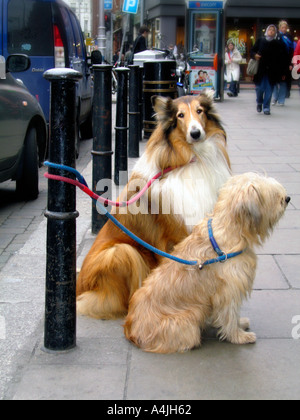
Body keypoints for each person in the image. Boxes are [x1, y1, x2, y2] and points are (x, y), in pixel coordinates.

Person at [250, 24, 289, 115]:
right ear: (266, 31)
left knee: (269, 89)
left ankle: (266, 107)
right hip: (260, 70)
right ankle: (259, 102)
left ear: (275, 32)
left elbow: (282, 58)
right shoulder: (260, 41)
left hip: (272, 71)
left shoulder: (278, 44)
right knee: (259, 89)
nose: (271, 31)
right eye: (270, 30)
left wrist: (283, 71)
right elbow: (252, 51)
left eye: (273, 30)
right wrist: (255, 55)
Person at [272, 21, 294, 105]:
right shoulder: (276, 36)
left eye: (285, 27)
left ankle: (281, 100)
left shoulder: (289, 37)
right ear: (279, 28)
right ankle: (275, 97)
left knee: (283, 81)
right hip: (275, 62)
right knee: (274, 81)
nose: (284, 29)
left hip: (285, 62)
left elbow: (291, 51)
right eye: (282, 27)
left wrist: (290, 63)